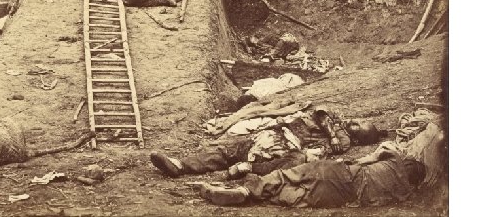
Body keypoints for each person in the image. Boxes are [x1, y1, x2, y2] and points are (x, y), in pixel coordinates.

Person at [150, 105, 385, 179]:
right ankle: (179, 165)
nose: (355, 121)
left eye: (359, 126)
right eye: (359, 120)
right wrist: (331, 133)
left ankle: (247, 169)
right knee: (229, 149)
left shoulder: (344, 139)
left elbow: (324, 146)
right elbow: (320, 113)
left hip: (286, 143)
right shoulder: (335, 120)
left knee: (286, 161)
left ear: (358, 138)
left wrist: (332, 137)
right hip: (275, 131)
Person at [198, 145, 426, 208]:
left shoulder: (395, 160)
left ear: (407, 164)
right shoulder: (403, 194)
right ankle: (253, 197)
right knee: (296, 195)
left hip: (341, 172)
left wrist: (365, 160)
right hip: (341, 196)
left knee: (286, 175)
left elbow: (378, 153)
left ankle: (245, 190)